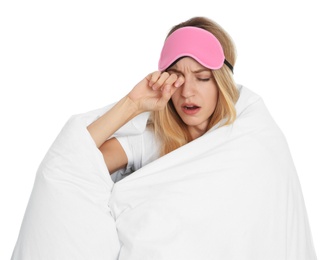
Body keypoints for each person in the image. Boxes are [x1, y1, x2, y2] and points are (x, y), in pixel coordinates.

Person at [87, 16, 240, 181]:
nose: (186, 92)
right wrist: (132, 104)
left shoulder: (245, 133)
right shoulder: (149, 142)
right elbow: (73, 163)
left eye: (202, 77)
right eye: (176, 77)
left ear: (222, 83)